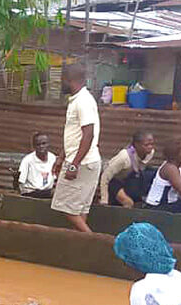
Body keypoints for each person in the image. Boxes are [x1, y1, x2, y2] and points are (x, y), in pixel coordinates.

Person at [51, 64, 101, 232]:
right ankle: (82, 246)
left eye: (61, 80)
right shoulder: (79, 100)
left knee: (63, 206)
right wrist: (61, 157)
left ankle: (93, 240)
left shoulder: (83, 101)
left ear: (69, 80)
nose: (60, 84)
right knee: (79, 210)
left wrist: (74, 164)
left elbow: (88, 134)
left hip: (82, 163)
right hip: (86, 162)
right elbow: (75, 135)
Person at [99, 131, 157, 208]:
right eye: (146, 145)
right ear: (136, 144)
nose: (150, 147)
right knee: (128, 202)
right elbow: (105, 177)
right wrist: (104, 200)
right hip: (114, 182)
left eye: (152, 144)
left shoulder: (150, 153)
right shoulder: (124, 157)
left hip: (129, 178)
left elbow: (141, 167)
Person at [18, 132, 57, 199]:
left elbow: (55, 177)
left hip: (47, 190)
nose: (41, 146)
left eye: (44, 143)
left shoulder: (52, 158)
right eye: (38, 144)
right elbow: (21, 181)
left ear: (48, 144)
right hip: (31, 191)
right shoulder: (27, 160)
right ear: (34, 146)